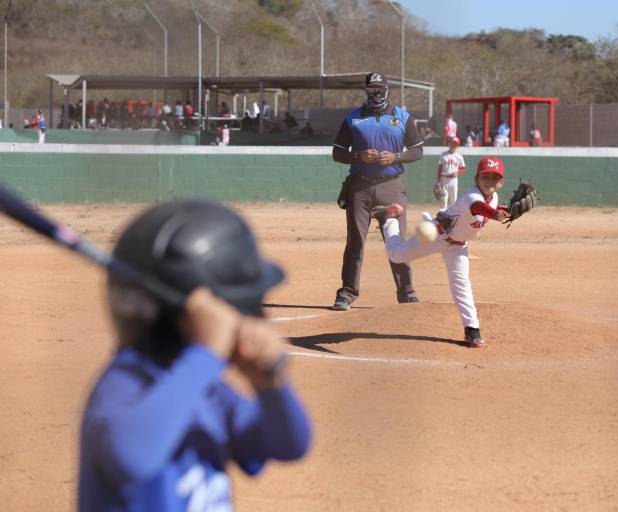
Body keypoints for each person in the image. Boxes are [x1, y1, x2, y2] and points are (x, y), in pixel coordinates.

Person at [77, 199, 312, 511]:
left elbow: (290, 445)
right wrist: (206, 355)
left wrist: (269, 384)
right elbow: (130, 456)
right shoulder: (127, 381)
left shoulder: (209, 391)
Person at [371, 157, 534, 348]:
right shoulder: (471, 196)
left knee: (462, 286)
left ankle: (472, 330)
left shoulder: (494, 198)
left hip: (458, 245)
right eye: (485, 176)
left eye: (494, 177)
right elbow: (478, 208)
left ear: (501, 182)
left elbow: (492, 208)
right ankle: (389, 219)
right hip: (436, 234)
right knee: (396, 256)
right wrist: (495, 214)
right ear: (476, 178)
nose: (489, 181)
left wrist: (506, 210)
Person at [331, 71, 423, 311]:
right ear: (366, 90)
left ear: (387, 89)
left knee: (397, 242)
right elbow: (337, 152)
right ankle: (347, 292)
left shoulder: (402, 117)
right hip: (360, 186)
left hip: (391, 186)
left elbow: (417, 150)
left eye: (380, 89)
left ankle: (407, 293)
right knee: (355, 241)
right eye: (372, 89)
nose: (376, 93)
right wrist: (357, 156)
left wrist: (396, 156)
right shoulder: (353, 118)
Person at [435, 137, 466, 209]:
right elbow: (440, 167)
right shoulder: (443, 154)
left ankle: (452, 218)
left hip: (453, 180)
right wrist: (438, 181)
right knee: (443, 199)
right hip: (444, 178)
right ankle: (442, 217)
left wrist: (457, 173)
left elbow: (463, 168)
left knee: (453, 200)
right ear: (449, 144)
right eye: (452, 143)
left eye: (455, 144)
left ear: (458, 146)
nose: (453, 145)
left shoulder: (459, 156)